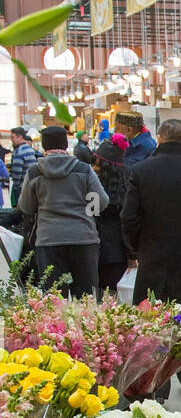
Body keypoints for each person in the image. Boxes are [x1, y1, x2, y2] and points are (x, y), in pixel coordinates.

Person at [121, 118, 181, 394]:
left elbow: (129, 218)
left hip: (152, 255)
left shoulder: (140, 171)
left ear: (159, 138)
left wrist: (135, 248)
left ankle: (151, 380)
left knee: (150, 319)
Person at [18, 124, 108, 297]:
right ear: (66, 144)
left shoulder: (34, 172)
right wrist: (86, 213)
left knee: (53, 299)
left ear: (44, 145)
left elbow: (26, 207)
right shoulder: (83, 169)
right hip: (83, 238)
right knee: (86, 298)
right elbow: (101, 202)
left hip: (49, 240)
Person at [93, 134, 132, 294]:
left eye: (97, 163)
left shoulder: (95, 189)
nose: (94, 167)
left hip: (100, 250)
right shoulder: (127, 186)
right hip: (119, 253)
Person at [9, 128, 38, 207]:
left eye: (13, 137)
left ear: (20, 137)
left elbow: (17, 172)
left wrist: (15, 187)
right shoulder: (30, 150)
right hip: (32, 185)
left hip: (22, 187)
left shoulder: (18, 152)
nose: (11, 140)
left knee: (21, 210)